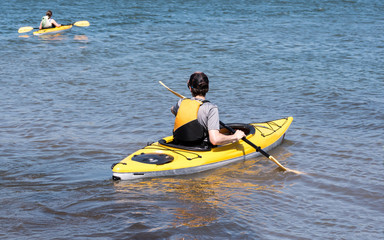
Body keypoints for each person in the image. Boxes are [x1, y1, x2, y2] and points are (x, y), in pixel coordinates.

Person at [171, 72, 246, 147]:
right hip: (200, 148)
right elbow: (214, 140)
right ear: (207, 88)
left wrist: (185, 112)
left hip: (179, 145)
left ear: (190, 88)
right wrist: (235, 136)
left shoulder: (180, 103)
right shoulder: (211, 108)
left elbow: (172, 110)